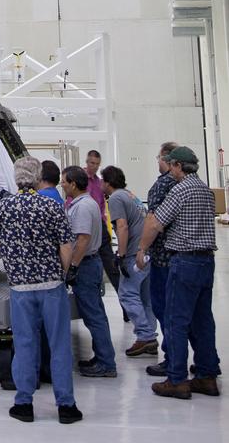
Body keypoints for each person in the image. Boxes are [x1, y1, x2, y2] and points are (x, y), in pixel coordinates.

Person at [0, 155, 81, 424]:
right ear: (39, 177)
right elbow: (66, 245)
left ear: (16, 179)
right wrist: (61, 273)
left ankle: (24, 403)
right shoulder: (51, 205)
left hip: (21, 287)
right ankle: (66, 406)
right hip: (51, 286)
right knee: (59, 344)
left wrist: (13, 246)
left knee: (25, 344)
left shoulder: (4, 207)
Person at [136, 146, 221, 399]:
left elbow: (155, 223)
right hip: (206, 262)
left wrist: (141, 249)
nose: (169, 169)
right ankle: (207, 376)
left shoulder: (179, 190)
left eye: (171, 165)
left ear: (179, 166)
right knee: (203, 320)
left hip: (183, 262)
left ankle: (176, 380)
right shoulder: (205, 190)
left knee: (175, 321)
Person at [61, 166, 116, 378]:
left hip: (85, 265)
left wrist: (72, 266)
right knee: (96, 314)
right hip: (89, 264)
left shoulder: (83, 207)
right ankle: (103, 356)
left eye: (64, 181)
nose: (62, 184)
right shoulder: (87, 203)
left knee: (93, 316)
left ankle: (106, 364)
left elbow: (82, 240)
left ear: (74, 184)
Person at [101, 165, 157, 356]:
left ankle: (145, 336)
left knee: (127, 294)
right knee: (145, 298)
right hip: (146, 252)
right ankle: (150, 336)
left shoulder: (116, 198)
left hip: (133, 253)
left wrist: (121, 255)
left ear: (107, 183)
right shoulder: (130, 195)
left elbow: (122, 227)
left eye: (102, 181)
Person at [143, 141, 177, 377]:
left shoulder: (162, 186)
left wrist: (141, 248)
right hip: (183, 257)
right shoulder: (190, 185)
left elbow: (154, 222)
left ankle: (172, 359)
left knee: (164, 309)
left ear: (165, 160)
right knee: (189, 312)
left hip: (163, 259)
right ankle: (206, 363)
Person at [82, 149, 120, 297]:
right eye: (92, 163)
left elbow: (102, 205)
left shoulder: (99, 183)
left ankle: (125, 306)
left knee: (110, 265)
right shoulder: (80, 179)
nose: (94, 166)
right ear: (86, 161)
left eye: (97, 164)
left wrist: (104, 223)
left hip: (100, 227)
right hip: (85, 226)